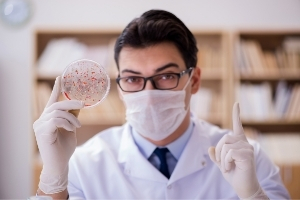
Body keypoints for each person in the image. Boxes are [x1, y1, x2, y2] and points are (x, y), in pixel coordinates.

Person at [33, 9, 290, 199]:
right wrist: (53, 177)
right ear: (120, 89)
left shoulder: (248, 160)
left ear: (195, 80)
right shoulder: (84, 164)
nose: (149, 92)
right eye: (133, 79)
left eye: (166, 76)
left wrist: (252, 194)